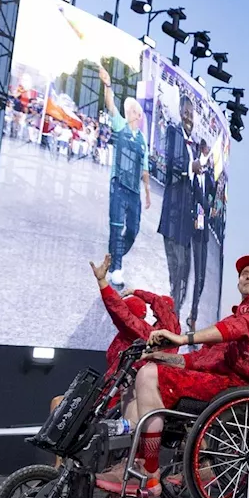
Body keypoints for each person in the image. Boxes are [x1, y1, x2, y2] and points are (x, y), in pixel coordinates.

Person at [96, 255, 249, 495]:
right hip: (222, 383)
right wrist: (158, 357)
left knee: (149, 375)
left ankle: (149, 470)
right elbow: (196, 360)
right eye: (244, 272)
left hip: (241, 386)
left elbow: (238, 328)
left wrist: (184, 338)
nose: (248, 275)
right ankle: (134, 459)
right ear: (238, 283)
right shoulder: (238, 316)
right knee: (138, 376)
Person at [50, 255, 180, 415]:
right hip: (122, 392)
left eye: (155, 307)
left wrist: (106, 283)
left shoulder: (145, 333)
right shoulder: (168, 335)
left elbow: (120, 312)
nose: (152, 310)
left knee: (59, 404)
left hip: (119, 396)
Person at [99, 65, 152, 289]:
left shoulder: (142, 141)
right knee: (116, 226)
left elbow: (145, 168)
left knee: (132, 231)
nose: (132, 114)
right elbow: (110, 104)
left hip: (134, 192)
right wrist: (107, 84)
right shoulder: (119, 125)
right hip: (118, 187)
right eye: (130, 111)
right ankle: (117, 270)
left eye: (135, 112)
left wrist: (148, 193)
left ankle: (113, 258)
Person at [157, 94, 196, 318]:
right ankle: (172, 315)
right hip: (173, 216)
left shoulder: (191, 142)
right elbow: (173, 162)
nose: (189, 116)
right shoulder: (173, 133)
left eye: (192, 114)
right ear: (180, 112)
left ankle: (175, 312)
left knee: (184, 270)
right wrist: (192, 167)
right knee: (177, 267)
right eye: (186, 112)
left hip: (185, 221)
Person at [187, 141, 216, 329]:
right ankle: (193, 316)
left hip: (203, 230)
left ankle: (193, 313)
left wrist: (212, 207)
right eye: (205, 153)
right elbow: (197, 199)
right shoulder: (192, 177)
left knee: (202, 277)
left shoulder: (209, 179)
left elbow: (213, 195)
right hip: (192, 228)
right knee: (194, 274)